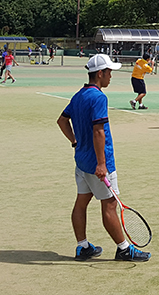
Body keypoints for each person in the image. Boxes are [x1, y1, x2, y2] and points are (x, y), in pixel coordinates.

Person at [56, 54, 150, 262]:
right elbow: (99, 132)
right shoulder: (98, 97)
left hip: (81, 161)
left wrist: (75, 142)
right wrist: (101, 164)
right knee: (109, 206)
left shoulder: (79, 95)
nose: (111, 77)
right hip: (98, 163)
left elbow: (62, 121)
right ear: (100, 73)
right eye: (109, 72)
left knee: (81, 202)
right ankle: (124, 249)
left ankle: (83, 247)